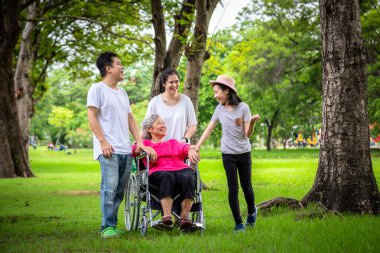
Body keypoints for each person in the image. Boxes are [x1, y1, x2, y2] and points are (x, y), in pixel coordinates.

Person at [87, 51, 156, 239]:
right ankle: (107, 227)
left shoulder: (123, 92)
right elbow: (91, 116)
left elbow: (130, 118)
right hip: (108, 149)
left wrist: (140, 142)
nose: (122, 67)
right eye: (119, 64)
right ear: (108, 68)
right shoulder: (97, 89)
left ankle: (111, 225)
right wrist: (103, 141)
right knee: (109, 188)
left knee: (119, 191)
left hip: (126, 150)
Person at [194, 75, 260, 233]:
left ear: (227, 91)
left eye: (217, 92)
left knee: (247, 187)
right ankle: (238, 224)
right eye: (214, 92)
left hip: (244, 153)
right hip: (228, 154)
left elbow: (247, 134)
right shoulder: (219, 109)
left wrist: (251, 122)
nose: (215, 95)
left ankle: (252, 211)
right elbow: (209, 128)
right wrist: (197, 145)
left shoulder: (243, 107)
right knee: (233, 188)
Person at [133, 113, 200, 230]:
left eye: (164, 123)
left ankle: (184, 218)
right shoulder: (145, 144)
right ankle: (167, 217)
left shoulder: (173, 143)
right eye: (159, 123)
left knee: (189, 176)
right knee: (167, 176)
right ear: (150, 129)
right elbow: (134, 151)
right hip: (159, 173)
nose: (163, 125)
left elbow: (186, 147)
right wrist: (145, 148)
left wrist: (191, 149)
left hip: (181, 169)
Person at [144, 68, 197, 142]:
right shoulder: (155, 102)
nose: (174, 85)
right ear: (164, 84)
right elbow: (146, 126)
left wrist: (185, 139)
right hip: (160, 148)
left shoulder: (186, 101)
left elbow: (192, 125)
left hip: (181, 147)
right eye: (171, 82)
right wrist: (139, 142)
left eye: (176, 81)